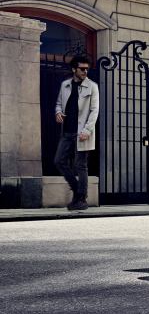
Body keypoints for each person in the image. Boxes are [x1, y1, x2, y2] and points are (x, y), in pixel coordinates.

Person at [54, 54, 99, 211]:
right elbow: (59, 103)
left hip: (82, 132)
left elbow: (94, 111)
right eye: (82, 69)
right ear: (74, 69)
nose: (85, 71)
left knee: (81, 165)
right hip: (66, 131)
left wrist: (87, 130)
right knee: (59, 161)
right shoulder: (65, 85)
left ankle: (81, 199)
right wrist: (58, 112)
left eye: (87, 69)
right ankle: (78, 191)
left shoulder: (92, 87)